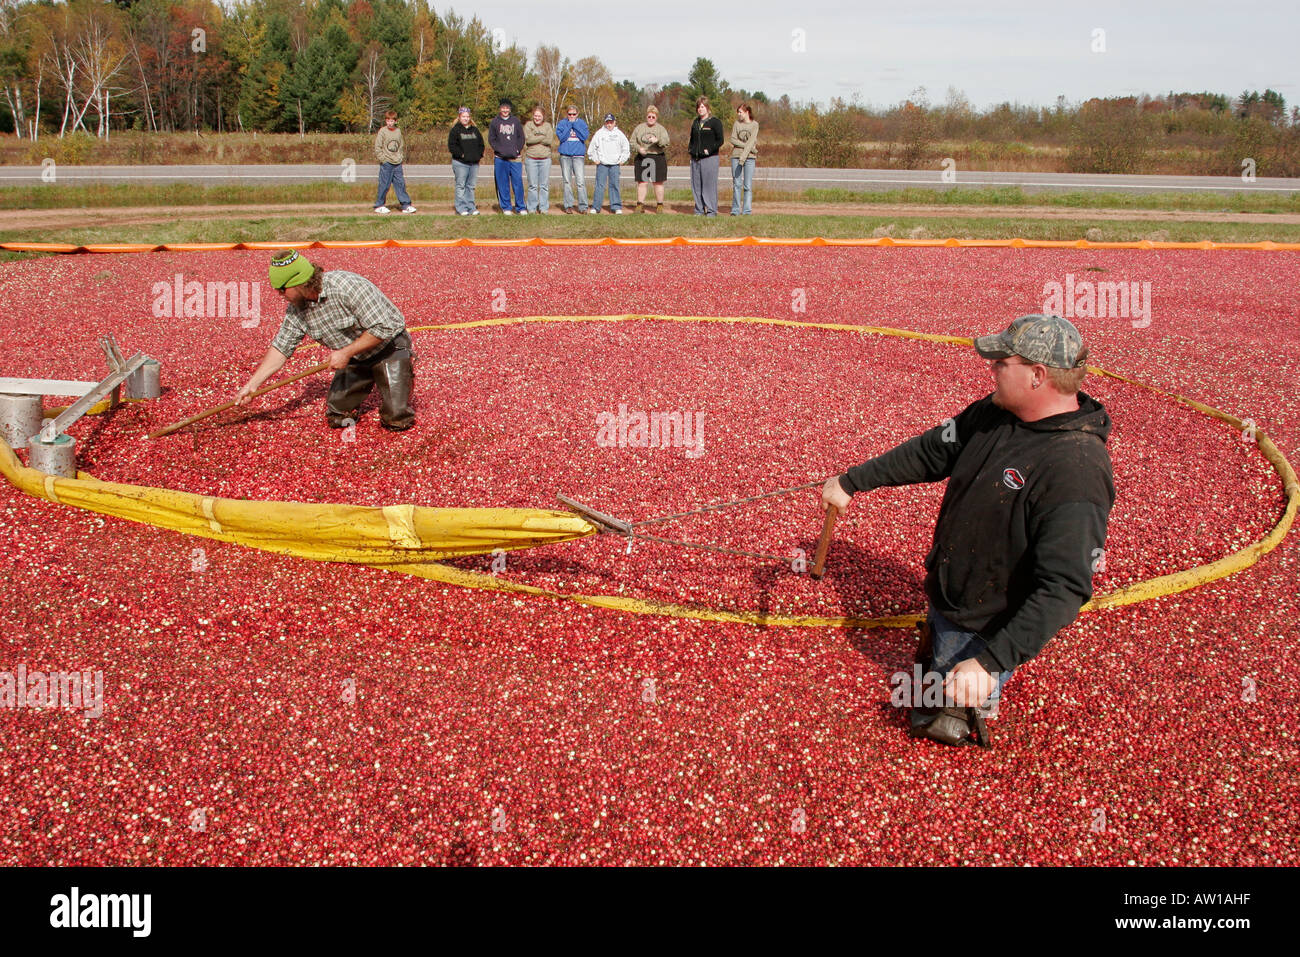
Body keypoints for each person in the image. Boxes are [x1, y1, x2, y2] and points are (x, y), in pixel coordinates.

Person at [820, 314, 1114, 746]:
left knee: (944, 715)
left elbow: (1064, 587)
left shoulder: (1076, 469)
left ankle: (962, 707)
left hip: (986, 626)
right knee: (935, 663)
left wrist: (991, 662)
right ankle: (943, 671)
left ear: (1037, 375)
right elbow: (931, 451)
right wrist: (853, 481)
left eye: (1001, 362)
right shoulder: (994, 413)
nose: (991, 368)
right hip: (954, 593)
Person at [236, 250, 415, 432]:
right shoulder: (296, 310)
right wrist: (252, 384)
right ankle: (365, 377)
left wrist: (345, 353)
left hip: (388, 348)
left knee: (396, 418)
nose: (280, 294)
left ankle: (398, 375)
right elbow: (281, 348)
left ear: (299, 282)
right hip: (355, 357)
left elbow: (383, 328)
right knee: (338, 416)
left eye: (282, 289)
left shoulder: (347, 287)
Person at [373, 110, 416, 214]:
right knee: (384, 185)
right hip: (387, 162)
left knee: (400, 184)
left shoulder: (398, 131)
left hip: (397, 163)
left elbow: (401, 145)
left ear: (395, 121)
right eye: (388, 121)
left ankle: (406, 205)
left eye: (392, 121)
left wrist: (400, 157)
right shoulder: (382, 131)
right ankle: (379, 205)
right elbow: (377, 147)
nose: (390, 123)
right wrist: (383, 160)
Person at [488, 98, 526, 215]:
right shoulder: (495, 122)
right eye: (503, 108)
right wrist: (499, 150)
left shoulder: (515, 121)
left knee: (517, 183)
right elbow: (492, 139)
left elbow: (521, 137)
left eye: (507, 108)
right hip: (500, 159)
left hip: (515, 158)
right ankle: (506, 207)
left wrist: (517, 149)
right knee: (503, 184)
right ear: (500, 108)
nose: (505, 110)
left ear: (510, 109)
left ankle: (520, 207)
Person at [629, 104, 670, 213]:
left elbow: (666, 142)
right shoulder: (639, 128)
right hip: (643, 158)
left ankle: (660, 205)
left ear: (656, 117)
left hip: (657, 157)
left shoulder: (661, 129)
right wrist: (639, 149)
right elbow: (632, 142)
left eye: (653, 117)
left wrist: (658, 141)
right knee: (642, 182)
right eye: (649, 116)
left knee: (658, 182)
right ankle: (640, 205)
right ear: (646, 116)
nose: (651, 118)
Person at [688, 97, 724, 216]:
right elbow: (692, 139)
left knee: (709, 186)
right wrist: (691, 150)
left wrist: (709, 150)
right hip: (695, 159)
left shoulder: (715, 122)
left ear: (707, 108)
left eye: (702, 106)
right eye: (698, 107)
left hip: (710, 159)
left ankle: (711, 210)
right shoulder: (695, 122)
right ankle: (699, 210)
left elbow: (720, 140)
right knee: (696, 186)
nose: (700, 109)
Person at [587, 113, 629, 214]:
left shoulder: (619, 134)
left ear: (615, 122)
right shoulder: (599, 133)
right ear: (605, 123)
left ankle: (616, 206)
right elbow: (591, 148)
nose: (609, 124)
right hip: (602, 164)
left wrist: (622, 159)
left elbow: (626, 147)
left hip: (615, 164)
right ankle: (596, 207)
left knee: (614, 185)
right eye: (607, 122)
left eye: (611, 122)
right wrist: (595, 159)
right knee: (599, 185)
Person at [447, 106, 484, 216]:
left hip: (474, 163)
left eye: (467, 116)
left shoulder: (475, 130)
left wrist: (478, 155)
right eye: (463, 116)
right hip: (460, 163)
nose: (466, 118)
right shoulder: (455, 130)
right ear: (459, 117)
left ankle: (471, 207)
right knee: (461, 186)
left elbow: (481, 144)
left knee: (471, 186)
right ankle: (461, 208)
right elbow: (452, 146)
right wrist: (462, 155)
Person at [555, 105, 590, 213]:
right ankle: (568, 206)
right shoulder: (562, 123)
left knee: (580, 182)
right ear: (567, 114)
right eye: (569, 114)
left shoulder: (582, 123)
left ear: (577, 114)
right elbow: (562, 137)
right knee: (567, 181)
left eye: (574, 114)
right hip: (565, 156)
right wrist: (569, 126)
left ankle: (583, 206)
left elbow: (584, 137)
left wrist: (575, 125)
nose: (571, 116)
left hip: (578, 156)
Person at [523, 105, 556, 214]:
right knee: (532, 185)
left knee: (544, 185)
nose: (537, 118)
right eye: (535, 115)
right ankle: (531, 208)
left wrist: (535, 137)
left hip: (545, 159)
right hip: (531, 159)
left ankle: (543, 208)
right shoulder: (528, 125)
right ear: (533, 116)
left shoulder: (547, 126)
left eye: (539, 116)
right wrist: (542, 137)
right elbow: (528, 140)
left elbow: (549, 140)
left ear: (543, 116)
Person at [729, 102, 759, 215]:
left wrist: (743, 157)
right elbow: (733, 139)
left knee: (747, 186)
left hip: (750, 158)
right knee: (737, 184)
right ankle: (735, 210)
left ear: (747, 112)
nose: (738, 114)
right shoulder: (736, 124)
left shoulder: (755, 125)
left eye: (740, 112)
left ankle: (746, 210)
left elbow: (752, 141)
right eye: (738, 112)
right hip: (736, 156)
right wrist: (748, 147)